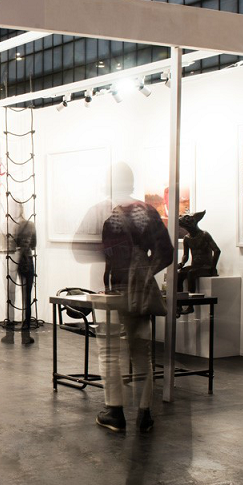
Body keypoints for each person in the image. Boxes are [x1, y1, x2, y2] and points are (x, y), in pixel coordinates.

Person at [96, 175, 173, 434]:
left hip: (118, 292)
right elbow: (167, 253)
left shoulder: (112, 219)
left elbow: (110, 261)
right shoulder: (148, 213)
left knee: (109, 353)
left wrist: (113, 285)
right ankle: (144, 413)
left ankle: (115, 412)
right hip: (139, 291)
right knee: (141, 353)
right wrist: (147, 273)